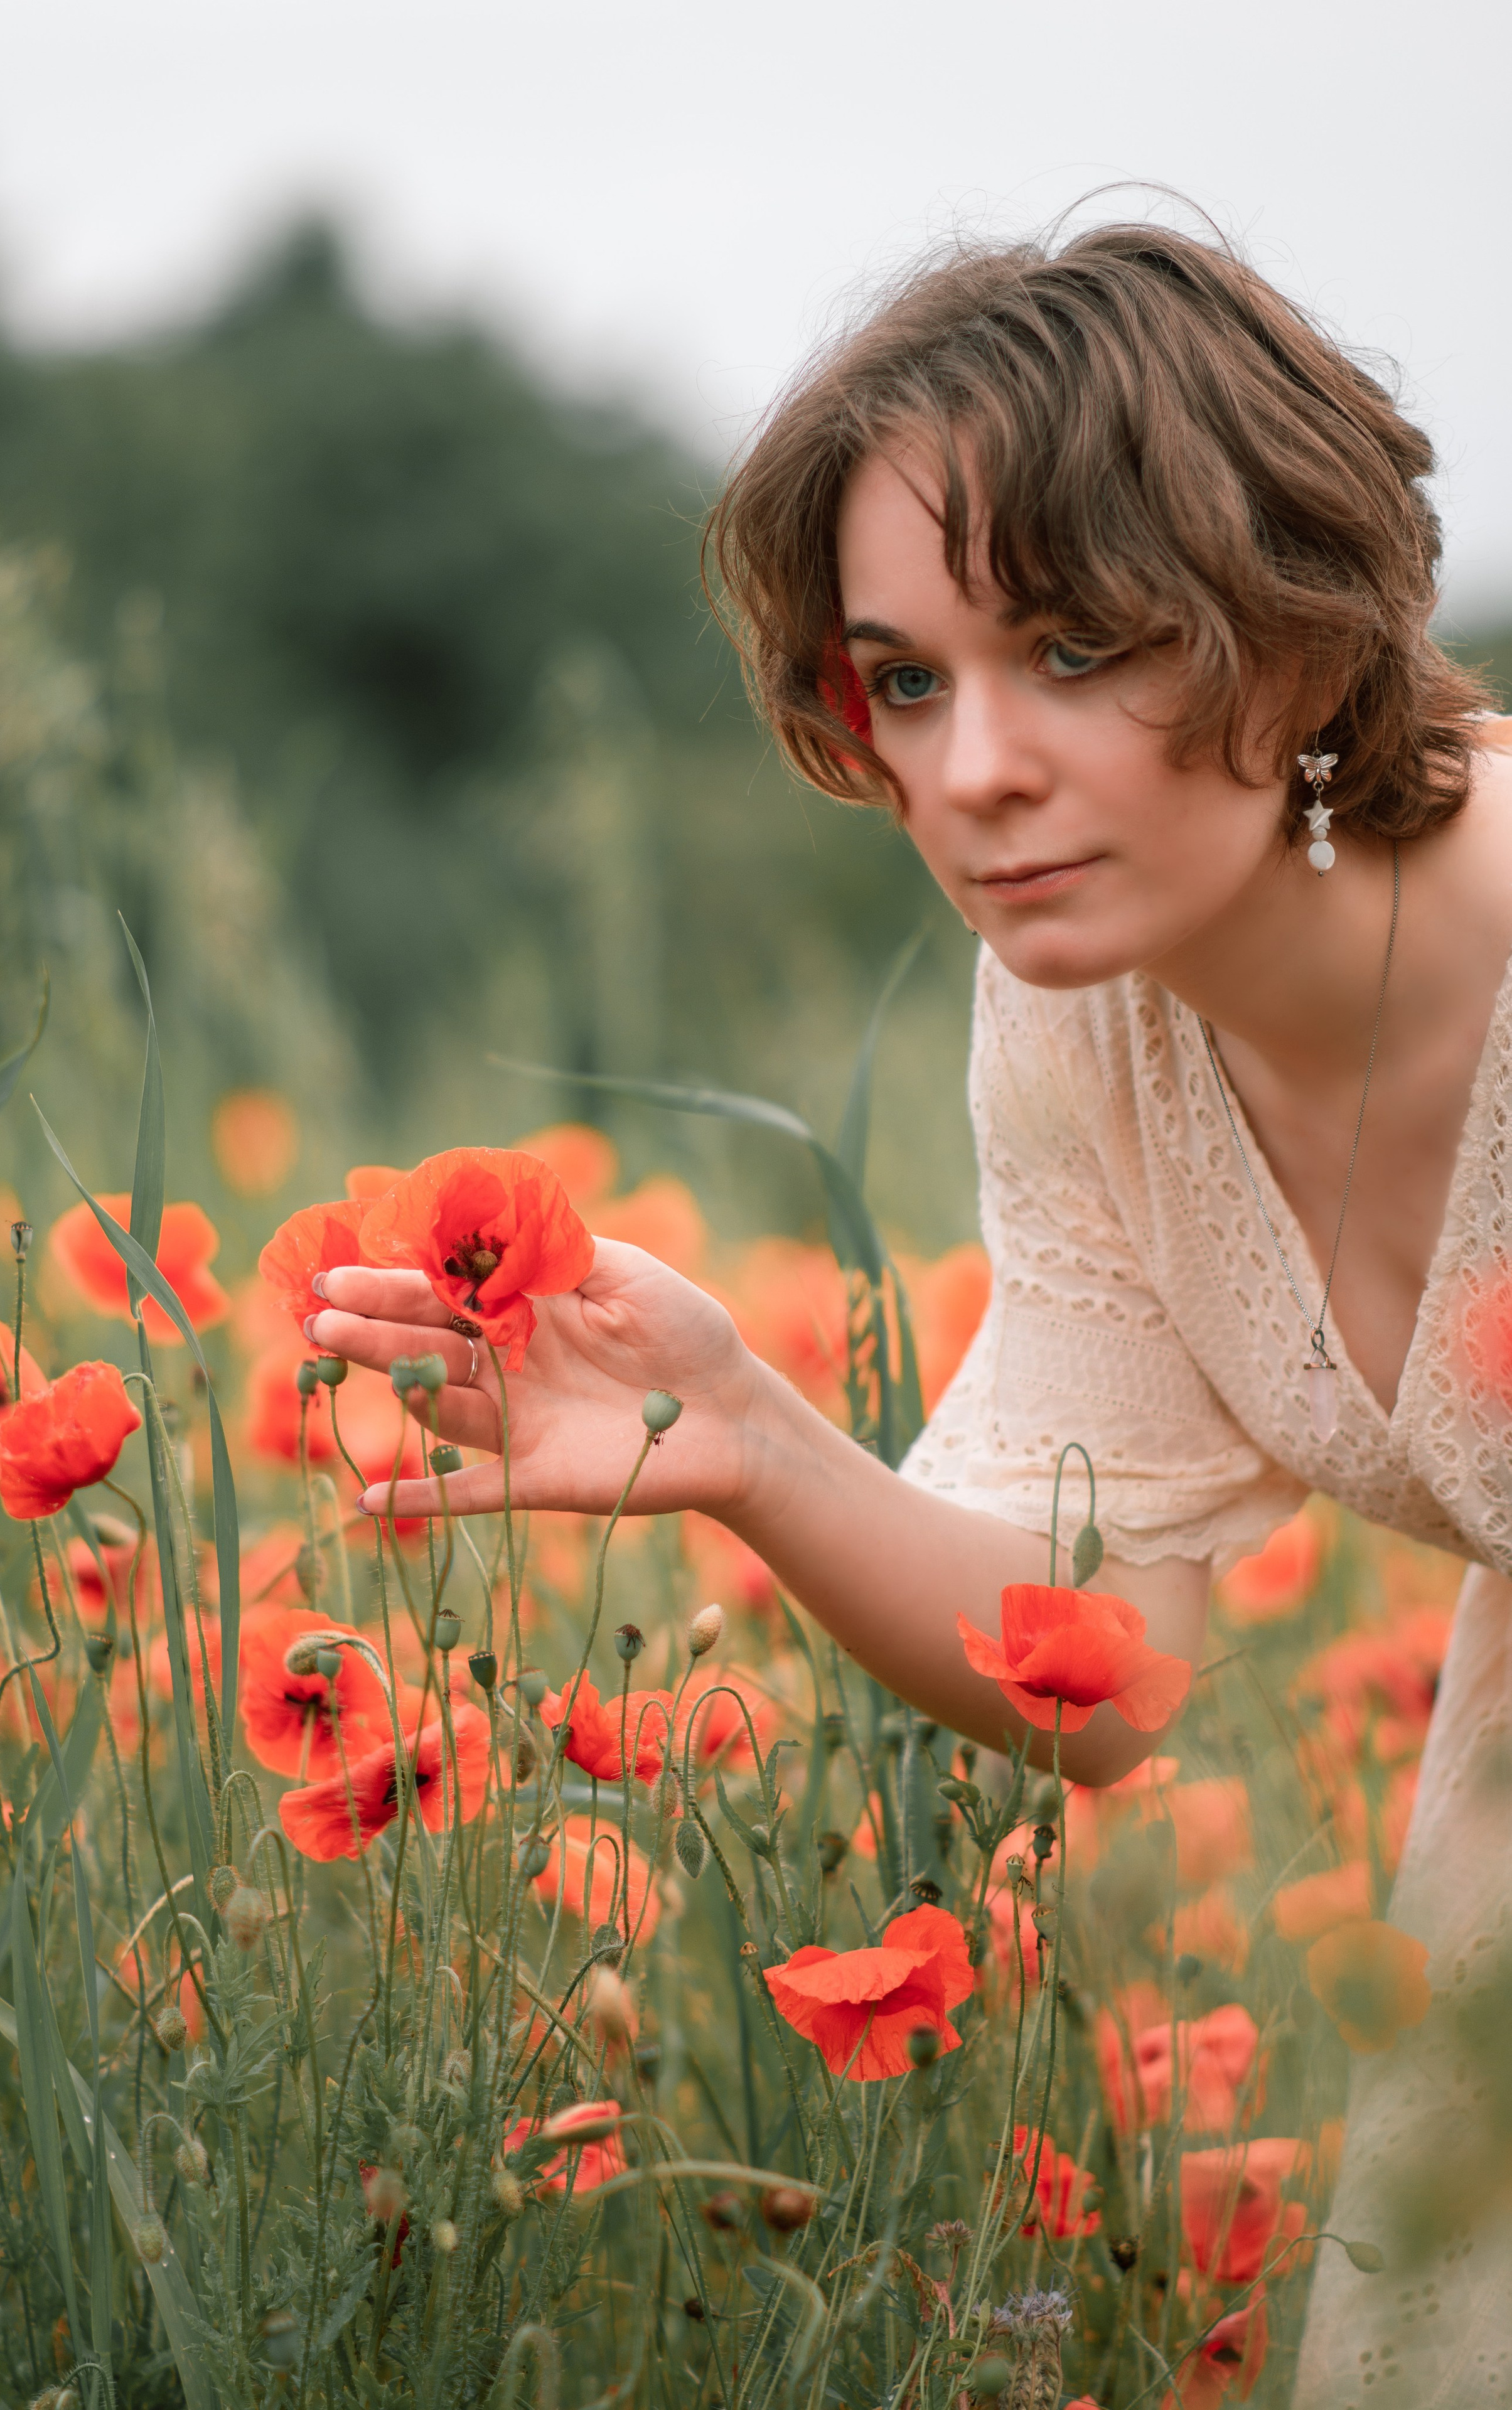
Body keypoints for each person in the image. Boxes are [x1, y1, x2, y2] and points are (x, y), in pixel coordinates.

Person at [307, 223, 1512, 2404]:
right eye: (913, 677)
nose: (972, 775)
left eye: (1074, 648)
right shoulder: (1084, 1034)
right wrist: (749, 1437)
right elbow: (1110, 1656)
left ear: (1297, 631)